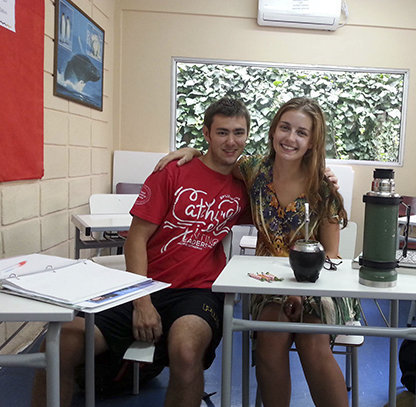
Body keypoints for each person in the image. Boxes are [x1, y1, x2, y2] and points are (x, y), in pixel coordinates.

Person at [31, 97, 251, 407]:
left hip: (198, 291)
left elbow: (286, 199)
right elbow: (136, 238)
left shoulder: (246, 184)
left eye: (238, 132)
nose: (231, 141)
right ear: (206, 133)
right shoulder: (173, 172)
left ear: (247, 135)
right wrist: (142, 301)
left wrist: (324, 180)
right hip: (145, 285)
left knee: (186, 351)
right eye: (222, 132)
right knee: (60, 343)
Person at [156, 97, 360, 407]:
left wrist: (302, 292)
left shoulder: (323, 188)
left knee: (312, 338)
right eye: (285, 128)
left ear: (312, 143)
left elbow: (332, 256)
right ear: (273, 131)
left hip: (320, 283)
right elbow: (219, 156)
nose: (290, 138)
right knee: (270, 336)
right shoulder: (254, 170)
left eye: (301, 133)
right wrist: (193, 151)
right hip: (267, 281)